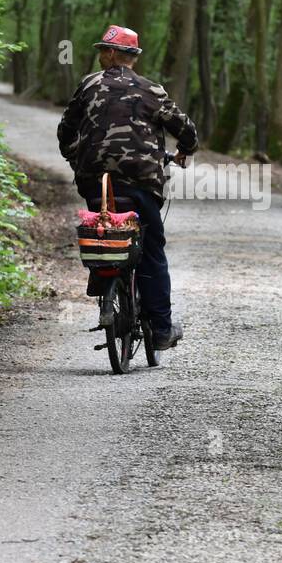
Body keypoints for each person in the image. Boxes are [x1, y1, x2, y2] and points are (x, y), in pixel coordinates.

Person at [57, 25, 198, 350]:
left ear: (110, 54)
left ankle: (103, 282)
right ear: (133, 57)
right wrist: (185, 151)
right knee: (151, 250)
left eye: (101, 51)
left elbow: (66, 129)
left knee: (102, 230)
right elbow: (186, 129)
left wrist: (75, 155)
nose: (99, 56)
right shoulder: (153, 91)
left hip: (96, 181)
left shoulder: (88, 85)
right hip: (141, 181)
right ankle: (161, 330)